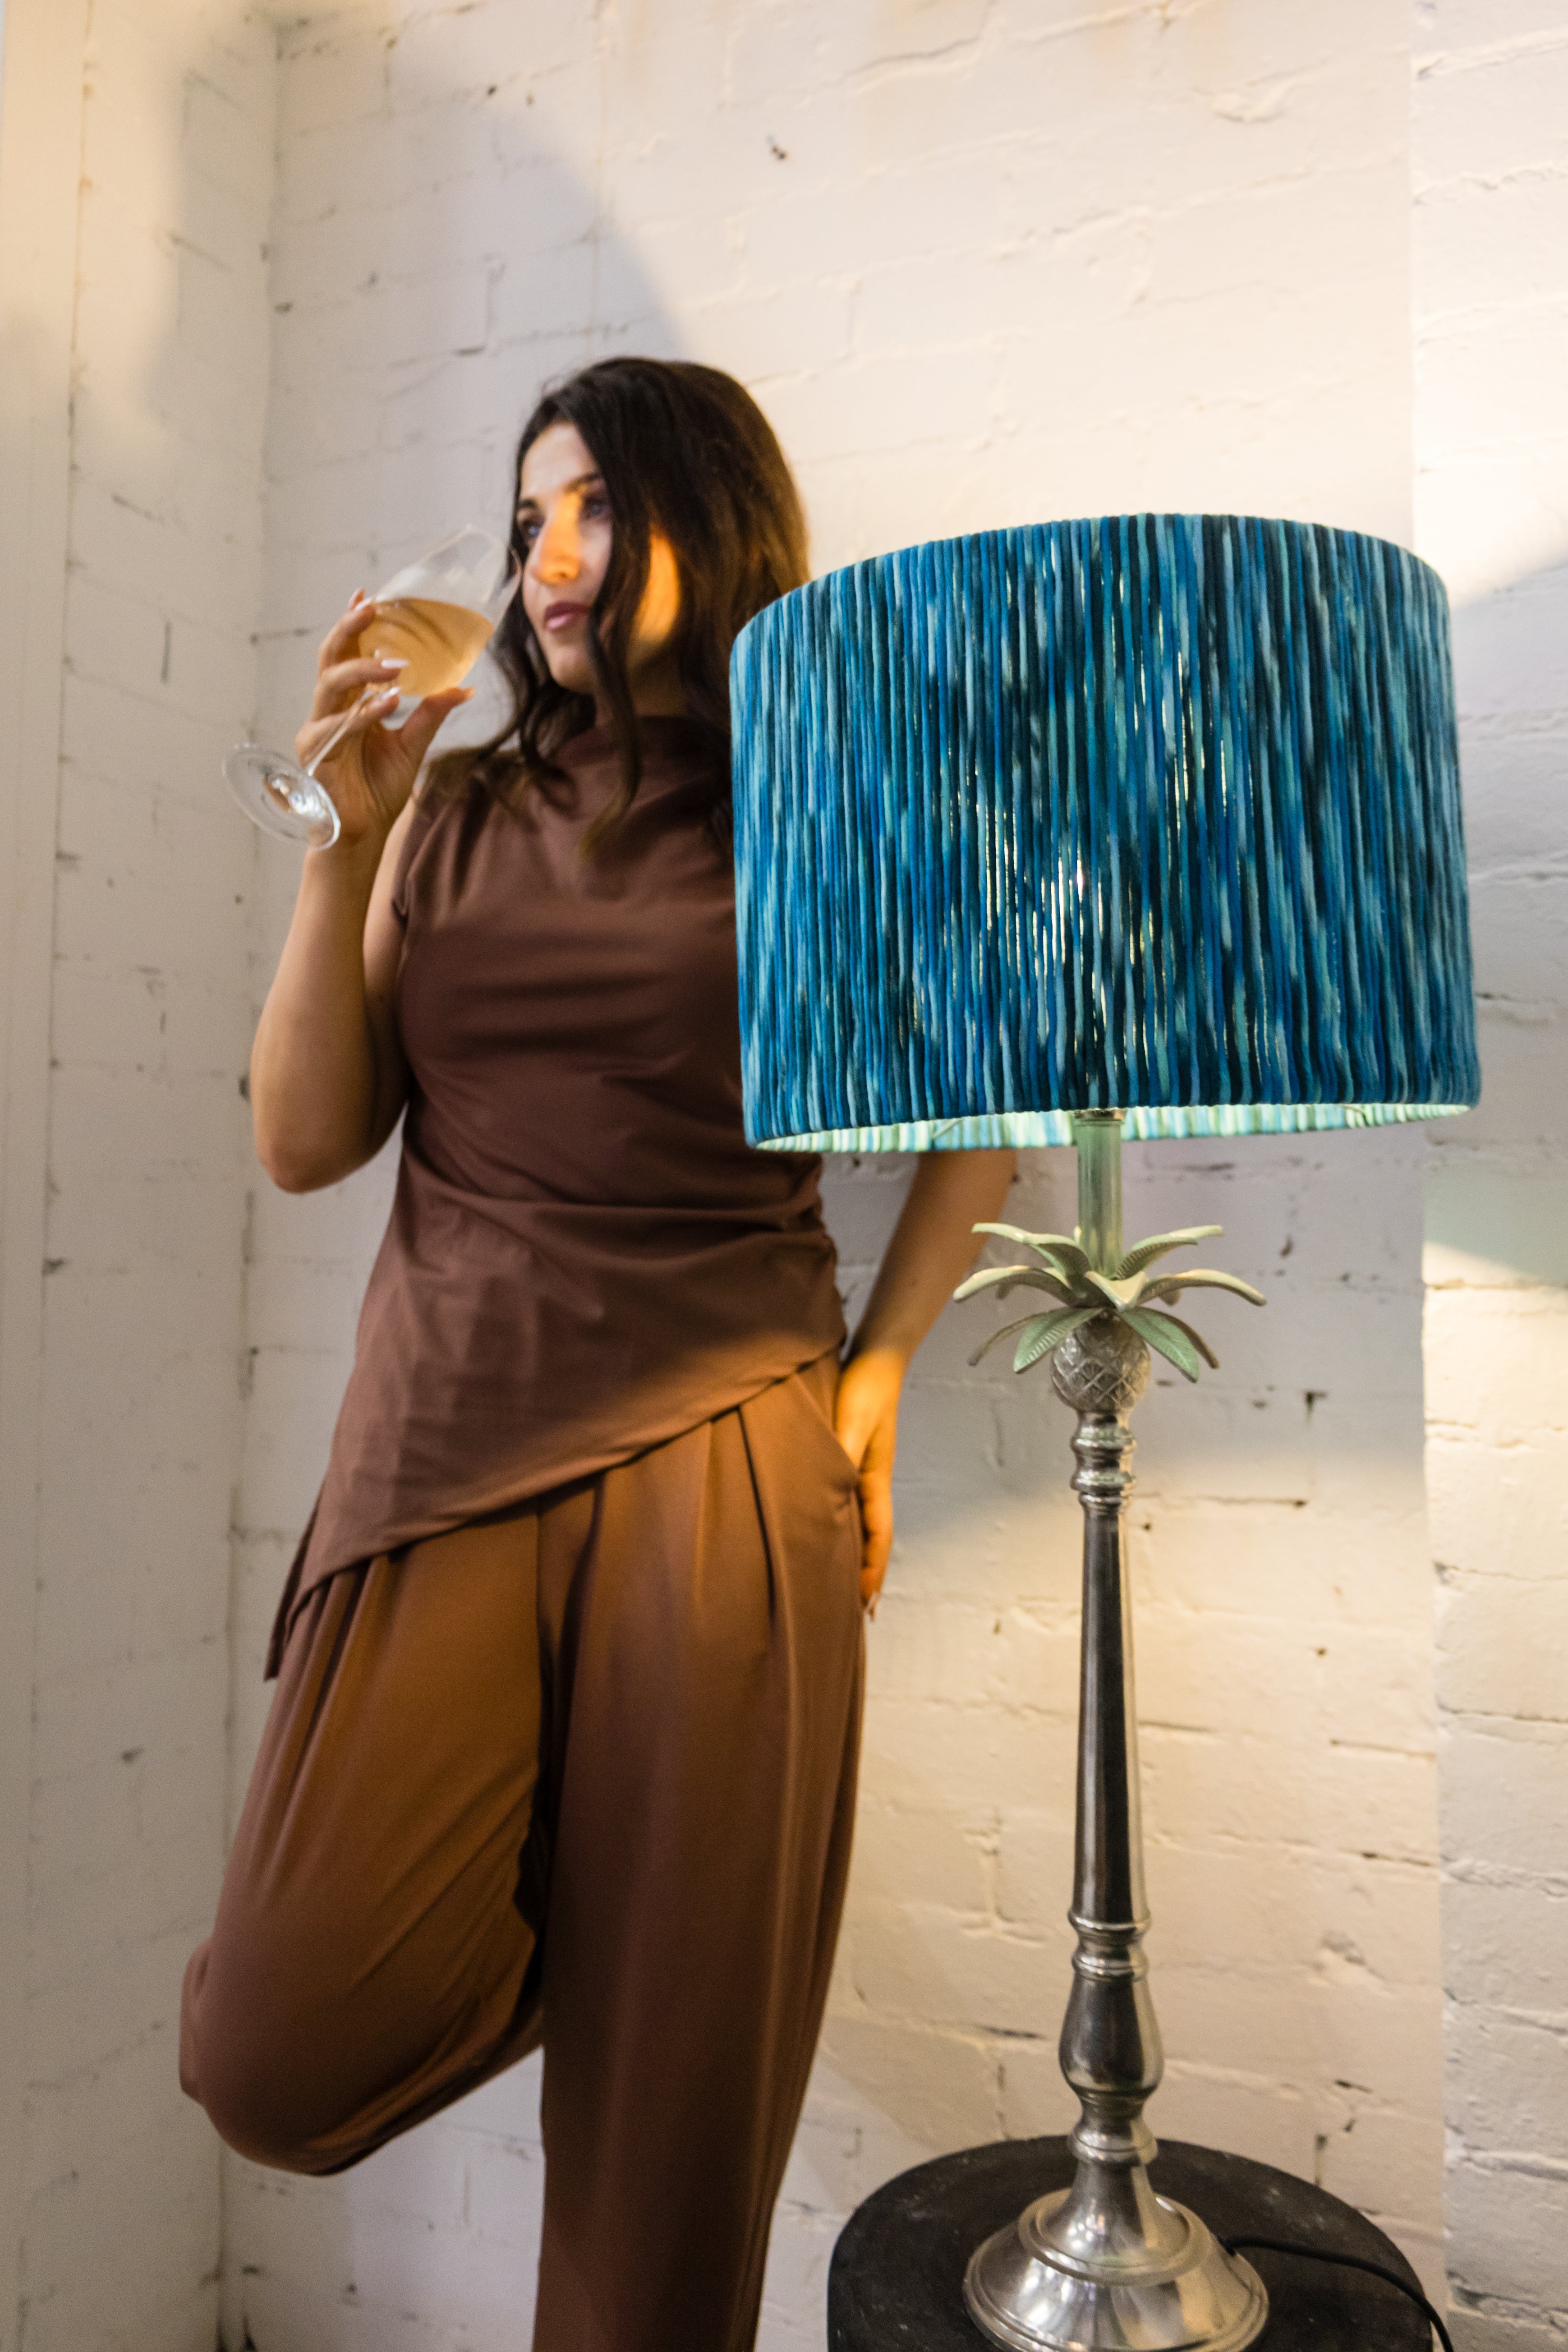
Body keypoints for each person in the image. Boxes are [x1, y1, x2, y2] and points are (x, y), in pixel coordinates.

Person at [180, 355, 1014, 2352]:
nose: (546, 556)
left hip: (729, 1456)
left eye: (598, 508)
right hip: (441, 1442)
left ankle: (677, 1949)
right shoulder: (448, 815)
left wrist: (881, 1374)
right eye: (529, 514)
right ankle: (633, 1911)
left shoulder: (825, 808)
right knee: (278, 2045)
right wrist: (339, 845)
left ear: (707, 520)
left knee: (664, 2182)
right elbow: (302, 1142)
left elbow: (978, 1108)